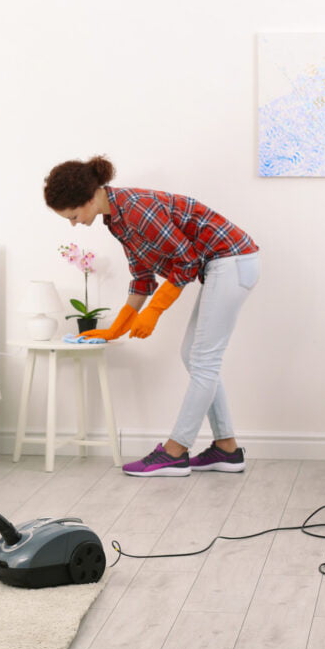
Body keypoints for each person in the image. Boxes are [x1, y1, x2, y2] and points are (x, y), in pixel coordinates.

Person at [43, 155, 260, 477]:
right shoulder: (116, 219)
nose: (74, 224)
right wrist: (116, 328)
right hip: (224, 265)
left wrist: (155, 312)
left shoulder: (135, 208)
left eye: (73, 216)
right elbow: (143, 276)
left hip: (232, 261)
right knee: (197, 357)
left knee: (203, 360)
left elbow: (185, 261)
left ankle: (175, 451)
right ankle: (226, 449)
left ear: (89, 198)